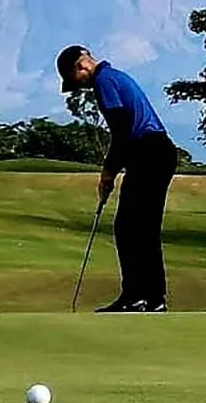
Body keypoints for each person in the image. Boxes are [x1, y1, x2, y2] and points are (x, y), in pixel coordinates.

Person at [57, 44, 177, 312]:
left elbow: (121, 131)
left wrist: (108, 173)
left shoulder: (104, 82)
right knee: (140, 229)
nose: (77, 87)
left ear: (81, 66)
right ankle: (151, 298)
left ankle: (138, 297)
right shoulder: (114, 76)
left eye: (73, 80)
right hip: (156, 153)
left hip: (150, 152)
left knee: (130, 228)